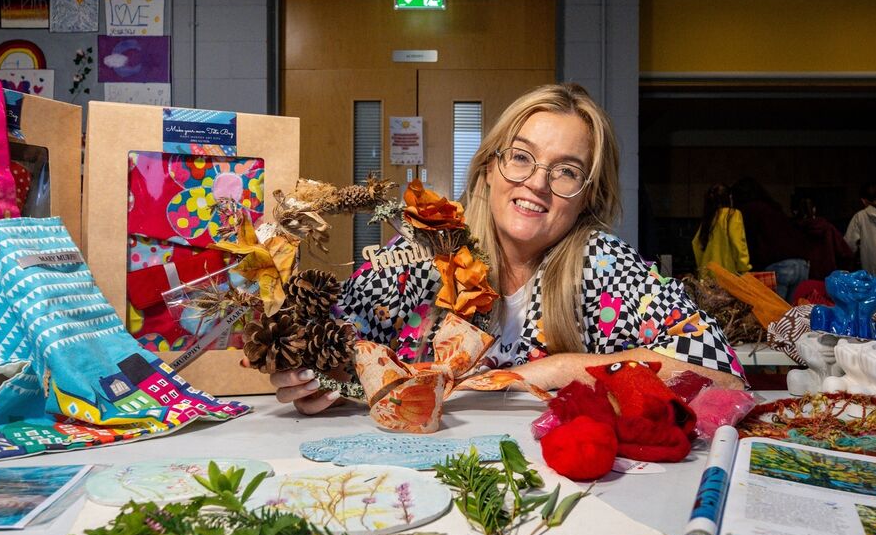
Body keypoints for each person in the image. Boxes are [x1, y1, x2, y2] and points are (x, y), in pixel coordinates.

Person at [271, 83, 745, 414]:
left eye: (566, 171)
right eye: (521, 157)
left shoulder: (605, 266)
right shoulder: (424, 251)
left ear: (588, 197)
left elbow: (723, 376)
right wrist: (314, 383)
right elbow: (330, 347)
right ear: (489, 168)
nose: (536, 182)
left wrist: (560, 369)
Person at [730, 177, 810, 303]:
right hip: (802, 265)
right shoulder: (773, 208)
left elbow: (746, 244)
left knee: (773, 312)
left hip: (779, 265)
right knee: (790, 312)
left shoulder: (747, 211)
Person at [691, 184, 750, 276]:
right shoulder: (733, 215)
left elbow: (696, 244)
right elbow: (737, 243)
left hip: (707, 275)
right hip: (728, 275)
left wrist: (702, 266)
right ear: (729, 197)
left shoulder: (709, 217)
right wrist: (743, 267)